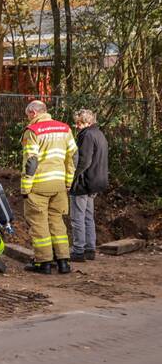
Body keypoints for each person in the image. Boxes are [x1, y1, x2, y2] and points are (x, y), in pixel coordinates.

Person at [20, 100, 78, 274]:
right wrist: (68, 182)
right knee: (57, 222)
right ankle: (63, 262)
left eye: (28, 115)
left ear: (33, 113)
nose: (28, 119)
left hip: (39, 185)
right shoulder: (65, 129)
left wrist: (25, 188)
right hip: (59, 184)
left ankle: (43, 263)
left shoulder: (33, 131)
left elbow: (31, 161)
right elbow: (73, 157)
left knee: (39, 223)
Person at [69, 108, 109, 262]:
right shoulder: (99, 134)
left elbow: (84, 161)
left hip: (84, 182)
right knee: (88, 216)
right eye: (77, 122)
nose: (77, 126)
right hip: (96, 181)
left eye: (80, 123)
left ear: (89, 122)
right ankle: (90, 249)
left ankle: (78, 250)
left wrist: (72, 177)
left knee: (77, 217)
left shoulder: (87, 135)